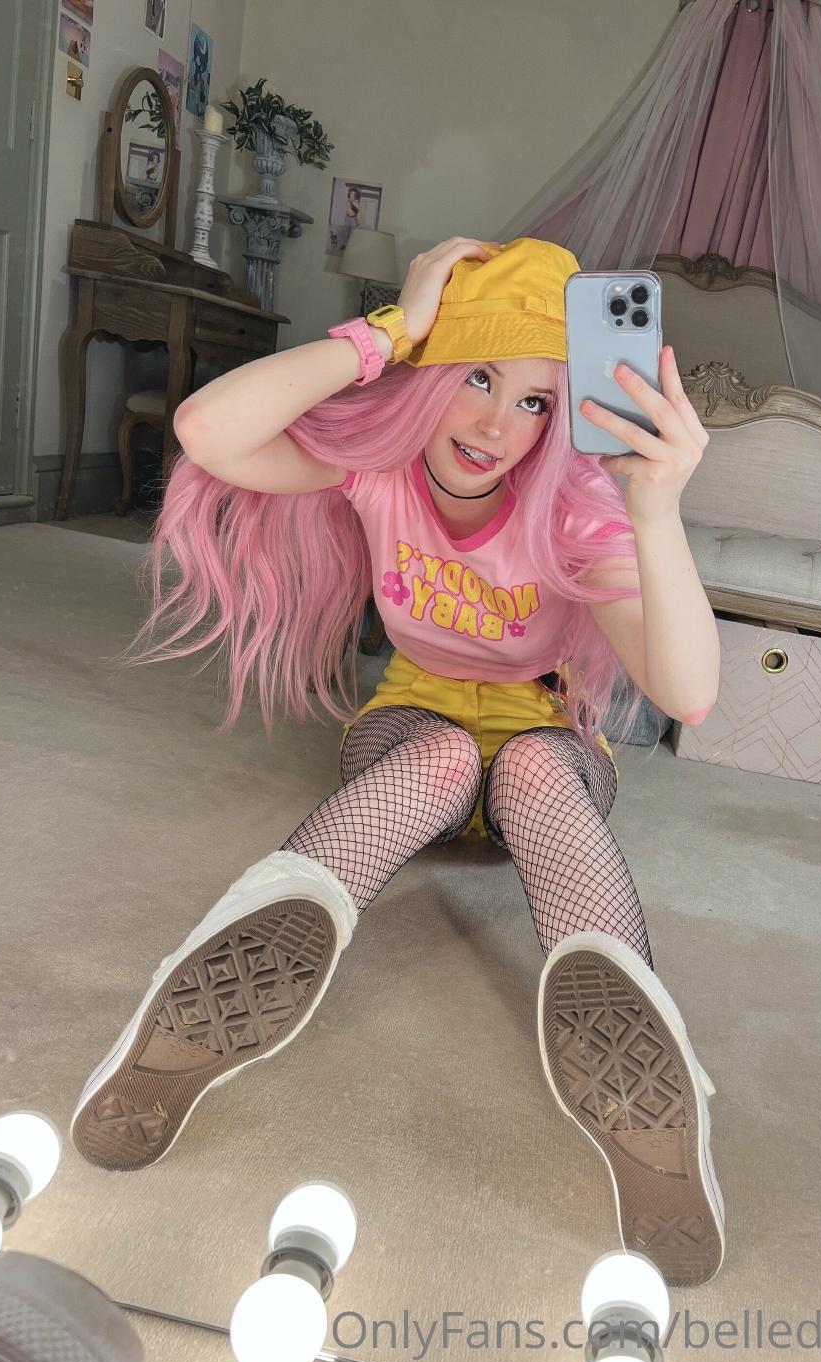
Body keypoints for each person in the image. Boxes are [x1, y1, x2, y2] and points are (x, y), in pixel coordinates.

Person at [70, 236, 725, 1286]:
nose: (497, 426)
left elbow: (687, 692)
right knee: (441, 761)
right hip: (414, 725)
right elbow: (206, 429)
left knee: (532, 771)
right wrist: (390, 331)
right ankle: (191, 1011)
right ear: (431, 371)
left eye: (536, 402)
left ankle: (648, 1092)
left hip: (547, 735)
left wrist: (656, 508)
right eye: (477, 377)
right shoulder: (378, 472)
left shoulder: (571, 512)